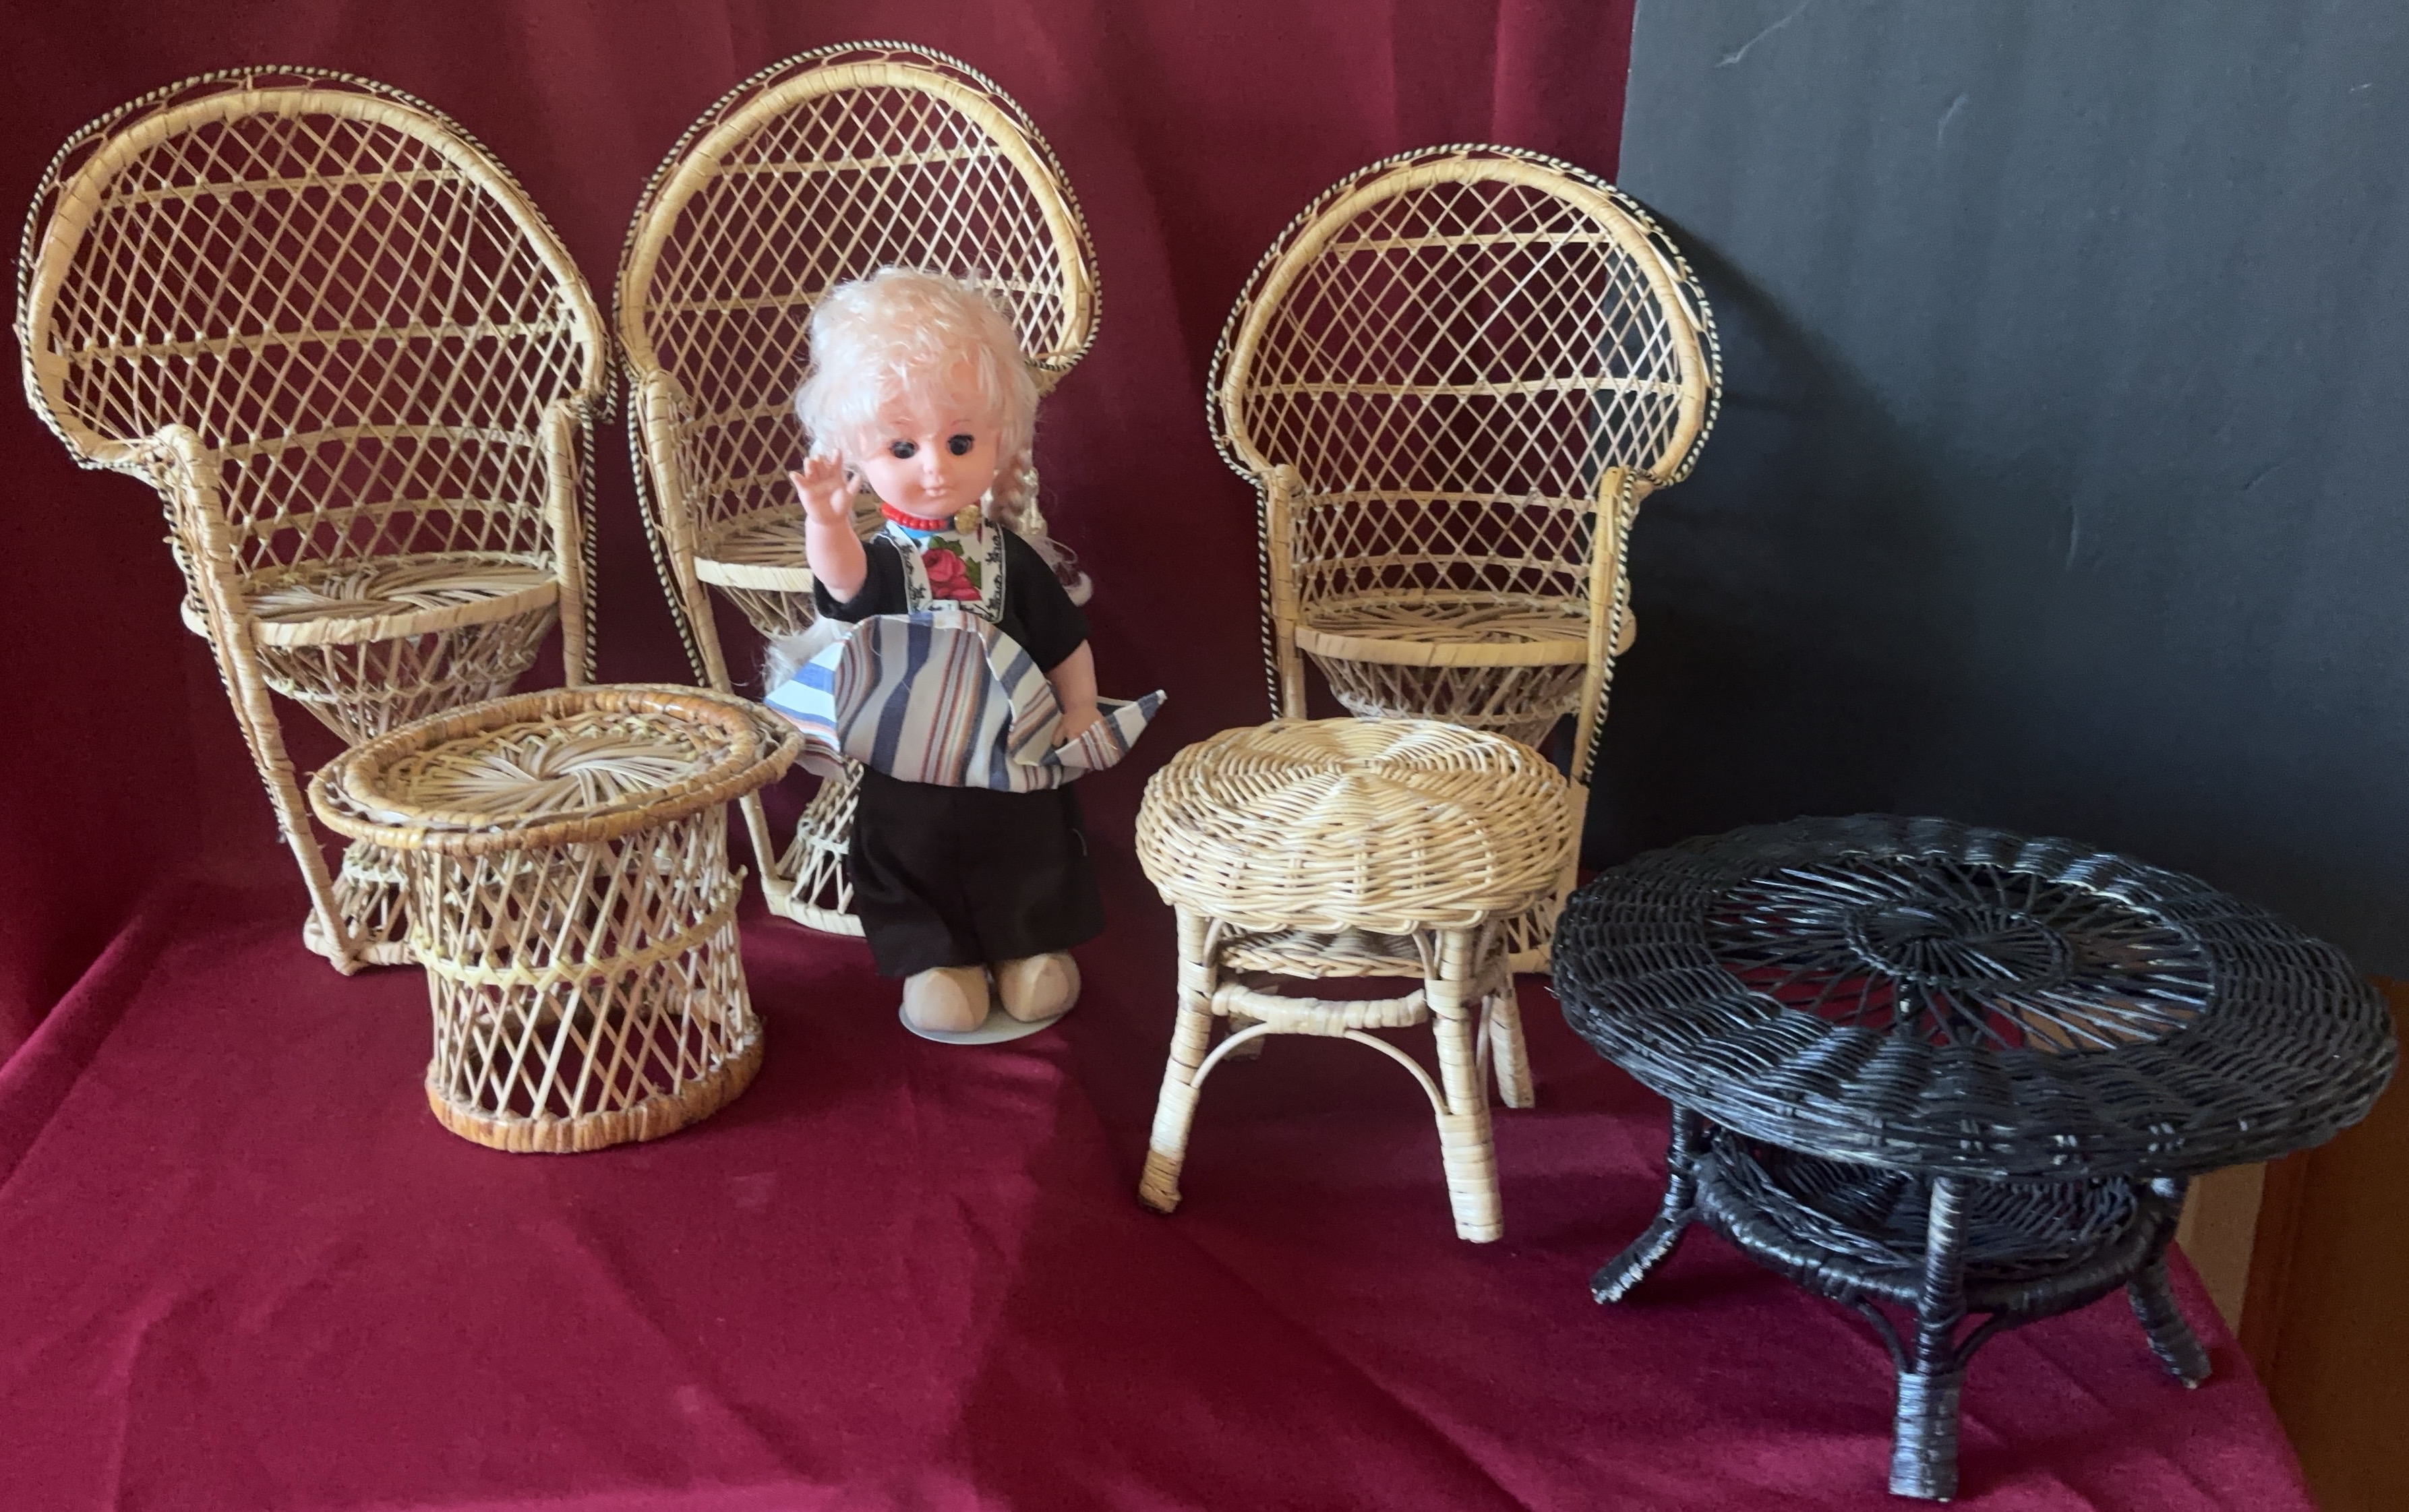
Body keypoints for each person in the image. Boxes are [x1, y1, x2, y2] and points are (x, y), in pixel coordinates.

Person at [778, 268, 1106, 1035]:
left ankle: (1028, 947)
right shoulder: (884, 558)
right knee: (907, 846)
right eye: (902, 446)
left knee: (1029, 843)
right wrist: (827, 524)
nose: (933, 466)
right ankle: (938, 960)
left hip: (1012, 749)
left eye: (959, 442)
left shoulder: (1011, 557)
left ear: (999, 439)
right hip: (912, 756)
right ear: (859, 454)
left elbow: (1064, 638)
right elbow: (844, 585)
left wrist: (1082, 707)